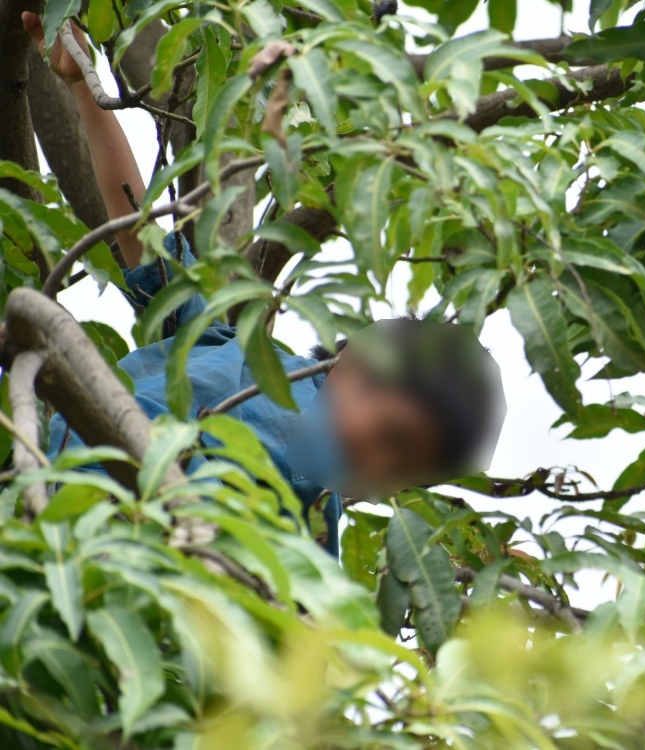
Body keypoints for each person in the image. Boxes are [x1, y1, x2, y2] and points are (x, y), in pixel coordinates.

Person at [23, 14, 507, 556]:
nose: (380, 471)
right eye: (392, 437)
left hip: (95, 562)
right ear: (352, 368)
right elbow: (145, 237)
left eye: (403, 474)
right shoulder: (238, 349)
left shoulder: (314, 533)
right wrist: (83, 89)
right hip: (43, 466)